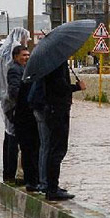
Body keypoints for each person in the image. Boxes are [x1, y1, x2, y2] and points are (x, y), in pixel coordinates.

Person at [29, 61, 83, 201]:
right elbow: (59, 87)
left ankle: (51, 186)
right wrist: (77, 87)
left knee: (53, 148)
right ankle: (52, 188)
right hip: (57, 110)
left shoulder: (51, 62)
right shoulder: (57, 64)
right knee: (57, 149)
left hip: (53, 109)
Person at [0, 28, 31, 184]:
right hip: (14, 104)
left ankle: (8, 173)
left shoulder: (3, 51)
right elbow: (15, 86)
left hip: (5, 100)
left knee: (9, 136)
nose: (27, 42)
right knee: (16, 140)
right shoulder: (13, 56)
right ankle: (15, 173)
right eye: (26, 39)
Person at [6, 44, 40, 190]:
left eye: (28, 55)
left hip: (27, 114)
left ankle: (32, 179)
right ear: (16, 57)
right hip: (23, 115)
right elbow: (14, 92)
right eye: (24, 55)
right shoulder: (15, 70)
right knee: (28, 149)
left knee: (31, 148)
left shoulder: (25, 69)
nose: (26, 57)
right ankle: (30, 180)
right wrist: (30, 96)